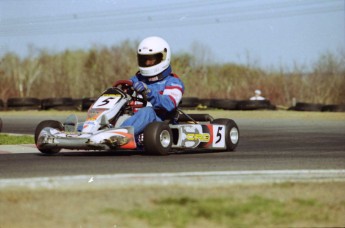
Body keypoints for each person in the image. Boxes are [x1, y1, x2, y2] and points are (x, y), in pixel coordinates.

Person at [120, 36, 185, 143]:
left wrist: (148, 92)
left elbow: (169, 104)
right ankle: (88, 132)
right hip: (134, 119)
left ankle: (120, 136)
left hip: (159, 122)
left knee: (148, 112)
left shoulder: (173, 82)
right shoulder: (136, 79)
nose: (147, 63)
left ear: (163, 57)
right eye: (144, 60)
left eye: (151, 59)